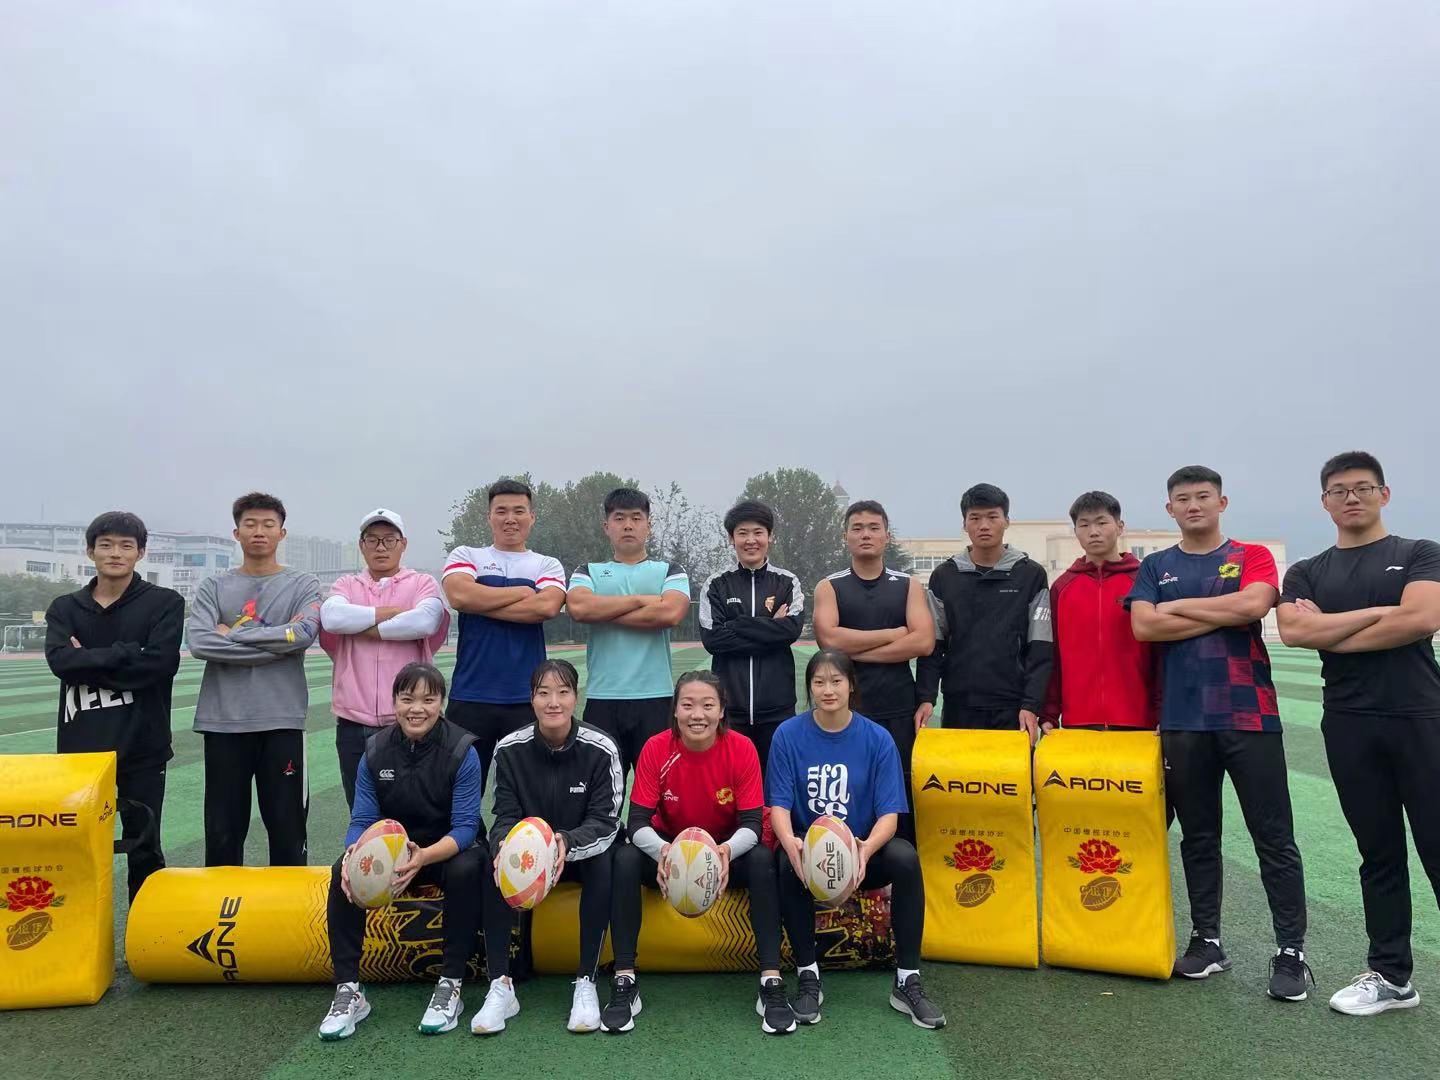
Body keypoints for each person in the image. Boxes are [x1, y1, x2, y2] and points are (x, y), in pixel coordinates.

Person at [1127, 465, 1310, 1001]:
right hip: (1183, 719)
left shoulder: (1251, 555)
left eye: (1203, 496)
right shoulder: (1155, 564)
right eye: (1182, 499)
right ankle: (1208, 941)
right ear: (1170, 509)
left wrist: (1177, 607)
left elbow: (1254, 605)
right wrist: (1221, 613)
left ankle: (1291, 951)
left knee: (1273, 836)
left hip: (1249, 715)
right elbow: (1143, 626)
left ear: (1221, 502)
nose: (1193, 505)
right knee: (1199, 837)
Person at [1277, 450, 1440, 1016]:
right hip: (1348, 722)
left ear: (1384, 494)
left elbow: (1422, 618)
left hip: (1421, 717)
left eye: (1363, 488)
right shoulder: (1306, 571)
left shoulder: (1419, 553)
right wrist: (1379, 615)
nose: (1351, 498)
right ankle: (1392, 977)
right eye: (1339, 490)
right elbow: (1294, 632)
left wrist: (1331, 629)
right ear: (1325, 502)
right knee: (1379, 853)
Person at [602, 671, 795, 1036]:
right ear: (675, 710)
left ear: (722, 710)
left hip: (724, 851)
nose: (697, 715)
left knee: (761, 859)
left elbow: (753, 824)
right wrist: (666, 852)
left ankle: (770, 979)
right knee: (625, 859)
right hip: (669, 851)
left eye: (708, 705)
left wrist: (723, 852)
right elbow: (637, 821)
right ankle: (625, 978)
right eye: (687, 705)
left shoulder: (741, 748)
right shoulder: (656, 748)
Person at [768, 649, 946, 1030]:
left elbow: (890, 815)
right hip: (811, 852)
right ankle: (808, 974)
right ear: (809, 688)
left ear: (851, 685)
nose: (828, 690)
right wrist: (792, 843)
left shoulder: (877, 738)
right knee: (784, 860)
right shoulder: (788, 735)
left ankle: (907, 979)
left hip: (862, 851)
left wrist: (864, 849)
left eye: (836, 681)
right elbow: (779, 806)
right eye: (819, 682)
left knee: (905, 857)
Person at [318, 663, 485, 1040]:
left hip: (443, 851)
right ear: (394, 702)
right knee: (340, 871)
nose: (417, 709)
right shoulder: (375, 750)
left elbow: (465, 827)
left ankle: (450, 983)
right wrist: (353, 854)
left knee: (469, 867)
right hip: (392, 855)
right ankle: (349, 989)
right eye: (407, 699)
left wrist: (423, 856)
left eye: (428, 700)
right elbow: (362, 820)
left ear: (441, 703)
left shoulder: (463, 750)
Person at [472, 659, 622, 1035]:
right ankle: (500, 985)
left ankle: (586, 981)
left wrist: (565, 843)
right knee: (492, 861)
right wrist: (506, 848)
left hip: (577, 851)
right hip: (529, 856)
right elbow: (503, 816)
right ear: (532, 699)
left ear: (575, 697)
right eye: (543, 693)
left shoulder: (601, 748)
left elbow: (605, 822)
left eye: (562, 692)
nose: (553, 702)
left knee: (606, 862)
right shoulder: (509, 749)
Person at [43, 511, 184, 902]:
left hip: (143, 745)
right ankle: (83, 930)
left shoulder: (164, 603)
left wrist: (87, 659)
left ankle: (146, 930)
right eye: (105, 545)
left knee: (145, 847)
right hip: (81, 750)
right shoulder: (65, 607)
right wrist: (129, 653)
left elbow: (161, 664)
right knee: (79, 845)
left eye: (126, 545)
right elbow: (60, 663)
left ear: (141, 553)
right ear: (91, 551)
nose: (115, 553)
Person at [188, 492, 322, 867]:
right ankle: (223, 904)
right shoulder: (214, 586)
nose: (259, 531)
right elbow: (200, 642)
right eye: (250, 524)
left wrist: (231, 634)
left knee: (288, 829)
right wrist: (277, 643)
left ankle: (290, 905)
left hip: (281, 721)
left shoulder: (303, 583)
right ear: (237, 533)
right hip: (223, 722)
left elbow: (302, 635)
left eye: (268, 524)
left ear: (282, 533)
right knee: (223, 833)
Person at [813, 500, 933, 837]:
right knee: (848, 787)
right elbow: (828, 640)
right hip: (847, 709)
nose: (865, 534)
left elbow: (924, 642)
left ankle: (899, 861)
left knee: (899, 790)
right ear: (845, 537)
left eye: (873, 528)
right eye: (857, 528)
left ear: (886, 536)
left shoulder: (908, 585)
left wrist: (855, 652)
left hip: (898, 707)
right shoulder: (829, 586)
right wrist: (893, 634)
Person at [320, 508, 450, 809]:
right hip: (354, 721)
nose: (381, 547)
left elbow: (424, 621)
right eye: (373, 540)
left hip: (410, 720)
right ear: (361, 545)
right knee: (361, 809)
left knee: (413, 810)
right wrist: (388, 613)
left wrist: (364, 628)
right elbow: (333, 618)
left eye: (389, 539)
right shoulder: (346, 585)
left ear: (403, 544)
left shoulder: (422, 583)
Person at [442, 480, 566, 793]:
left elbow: (546, 607)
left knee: (528, 792)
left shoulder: (546, 563)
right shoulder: (467, 554)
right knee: (459, 791)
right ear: (489, 517)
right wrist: (523, 592)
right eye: (501, 511)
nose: (510, 518)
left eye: (518, 511)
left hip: (526, 698)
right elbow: (459, 596)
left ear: (532, 517)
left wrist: (481, 602)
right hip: (470, 695)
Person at [567, 488, 690, 782]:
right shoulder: (588, 571)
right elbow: (580, 608)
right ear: (606, 526)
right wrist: (642, 600)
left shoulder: (670, 570)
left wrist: (605, 610)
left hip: (656, 698)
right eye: (619, 518)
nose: (628, 525)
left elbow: (670, 613)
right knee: (601, 789)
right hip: (603, 697)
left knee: (662, 788)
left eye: (636, 518)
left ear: (649, 525)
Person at [916, 483, 1052, 745]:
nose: (984, 526)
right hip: (959, 705)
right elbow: (934, 645)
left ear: (1007, 521)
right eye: (975, 518)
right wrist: (926, 697)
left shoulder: (1031, 575)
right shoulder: (945, 576)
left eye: (992, 517)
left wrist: (1031, 704)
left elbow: (1041, 647)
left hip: (1014, 707)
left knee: (1014, 773)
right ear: (964, 524)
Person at [698, 500, 804, 772]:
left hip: (778, 710)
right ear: (731, 538)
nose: (751, 540)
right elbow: (713, 640)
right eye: (742, 533)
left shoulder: (787, 582)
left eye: (758, 532)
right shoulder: (716, 584)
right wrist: (769, 627)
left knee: (777, 785)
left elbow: (790, 630)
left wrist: (736, 624)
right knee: (728, 786)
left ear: (770, 536)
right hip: (730, 709)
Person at [1041, 491, 1156, 733]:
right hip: (1078, 721)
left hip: (1139, 720)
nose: (1093, 531)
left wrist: (1162, 712)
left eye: (1102, 522)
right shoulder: (1062, 587)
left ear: (1120, 526)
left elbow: (1160, 652)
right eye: (1084, 525)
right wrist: (1049, 713)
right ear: (1075, 531)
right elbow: (1052, 654)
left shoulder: (1144, 581)